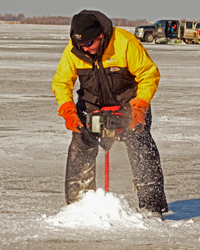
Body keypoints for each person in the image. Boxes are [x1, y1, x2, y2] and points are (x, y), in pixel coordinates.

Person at [52, 9, 168, 219]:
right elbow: (61, 82)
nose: (85, 49)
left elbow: (148, 75)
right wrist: (68, 111)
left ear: (101, 36)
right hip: (92, 105)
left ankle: (152, 206)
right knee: (81, 142)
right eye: (81, 45)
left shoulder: (125, 43)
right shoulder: (74, 50)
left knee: (140, 141)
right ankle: (79, 205)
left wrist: (140, 108)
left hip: (128, 104)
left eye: (89, 44)